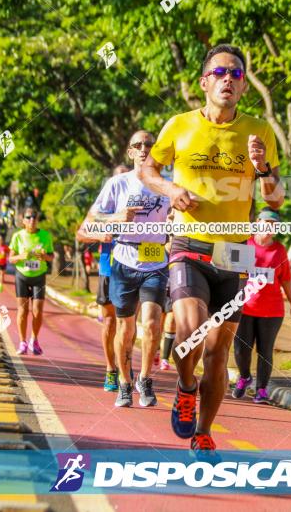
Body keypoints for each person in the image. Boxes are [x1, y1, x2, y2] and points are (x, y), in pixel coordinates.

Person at [141, 44, 285, 458]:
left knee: (219, 350)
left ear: (243, 87)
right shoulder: (179, 125)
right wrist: (170, 189)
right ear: (204, 82)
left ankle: (204, 431)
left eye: (237, 74)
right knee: (190, 334)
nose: (228, 79)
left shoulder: (259, 131)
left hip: (235, 252)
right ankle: (186, 389)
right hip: (189, 243)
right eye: (220, 72)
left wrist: (262, 168)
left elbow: (274, 199)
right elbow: (148, 169)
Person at [81, 130, 170, 408]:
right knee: (125, 328)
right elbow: (86, 227)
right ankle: (124, 382)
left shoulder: (169, 186)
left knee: (154, 323)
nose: (144, 149)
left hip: (156, 260)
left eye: (149, 144)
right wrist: (112, 220)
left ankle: (144, 379)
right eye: (138, 145)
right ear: (130, 152)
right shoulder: (117, 184)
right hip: (124, 260)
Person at [232, 209, 291, 404]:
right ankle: (244, 377)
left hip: (272, 310)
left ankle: (261, 389)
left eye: (274, 225)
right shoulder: (245, 244)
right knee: (240, 349)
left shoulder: (279, 250)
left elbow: (286, 280)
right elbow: (232, 274)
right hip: (244, 307)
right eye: (267, 223)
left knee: (265, 350)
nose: (270, 227)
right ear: (257, 222)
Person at [77, 164, 131, 392]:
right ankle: (111, 369)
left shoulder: (141, 205)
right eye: (116, 180)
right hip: (109, 269)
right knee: (109, 322)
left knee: (128, 322)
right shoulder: (104, 208)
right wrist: (100, 234)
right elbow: (81, 233)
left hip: (133, 269)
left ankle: (126, 369)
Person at [8, 208, 55, 355]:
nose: (32, 220)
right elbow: (11, 258)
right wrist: (22, 256)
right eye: (28, 217)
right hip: (22, 275)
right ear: (23, 221)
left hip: (39, 276)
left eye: (34, 217)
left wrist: (44, 257)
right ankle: (22, 342)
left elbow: (51, 256)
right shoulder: (18, 236)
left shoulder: (45, 236)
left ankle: (34, 340)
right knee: (23, 311)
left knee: (37, 311)